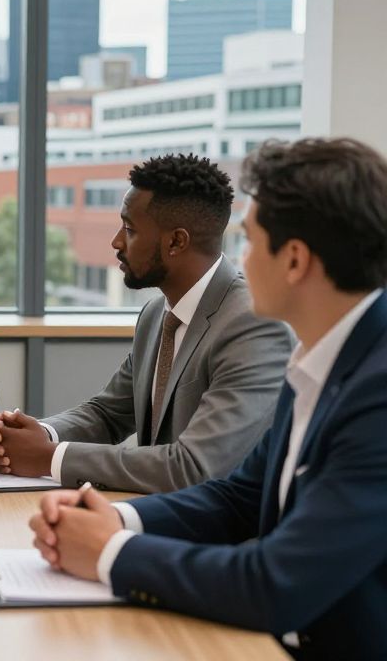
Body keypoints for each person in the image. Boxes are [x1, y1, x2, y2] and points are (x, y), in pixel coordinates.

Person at [29, 138, 387, 658]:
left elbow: (275, 584)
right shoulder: (318, 360)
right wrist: (120, 519)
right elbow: (239, 496)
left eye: (249, 241)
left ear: (293, 260)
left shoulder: (377, 393)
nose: (238, 260)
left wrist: (111, 552)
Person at [0, 154, 293, 493]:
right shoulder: (156, 315)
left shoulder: (254, 326)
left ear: (176, 241)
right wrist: (35, 434)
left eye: (129, 229)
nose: (116, 242)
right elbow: (108, 414)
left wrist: (48, 457)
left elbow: (194, 467)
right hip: (157, 511)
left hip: (215, 522)